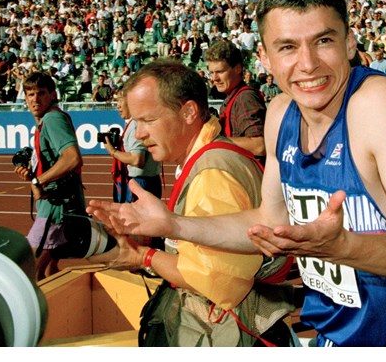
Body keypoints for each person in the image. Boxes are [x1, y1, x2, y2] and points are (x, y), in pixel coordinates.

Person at [88, 0, 386, 347]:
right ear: (265, 58)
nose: (307, 64)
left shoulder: (377, 106)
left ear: (350, 43)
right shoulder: (281, 113)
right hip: (331, 341)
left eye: (323, 41)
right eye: (287, 47)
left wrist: (345, 248)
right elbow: (268, 223)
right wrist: (174, 224)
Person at [90, 60, 295, 346]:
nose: (138, 134)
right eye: (136, 123)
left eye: (148, 120)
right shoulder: (208, 157)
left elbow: (215, 281)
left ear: (188, 112)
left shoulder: (213, 170)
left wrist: (143, 256)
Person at [13, 71, 86, 280]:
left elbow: (72, 158)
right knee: (48, 270)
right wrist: (32, 174)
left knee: (32, 270)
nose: (35, 99)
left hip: (57, 204)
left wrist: (38, 180)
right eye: (30, 95)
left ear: (53, 95)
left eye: (41, 93)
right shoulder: (47, 120)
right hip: (57, 201)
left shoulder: (53, 118)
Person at [204, 39, 266, 162]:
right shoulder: (231, 100)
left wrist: (214, 141)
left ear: (238, 68)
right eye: (211, 72)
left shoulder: (245, 98)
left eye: (220, 72)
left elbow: (259, 145)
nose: (214, 78)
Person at [104, 83, 162, 203]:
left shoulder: (136, 124)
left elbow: (137, 160)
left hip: (140, 182)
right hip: (147, 181)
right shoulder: (137, 122)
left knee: (136, 220)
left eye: (120, 100)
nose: (117, 106)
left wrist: (113, 151)